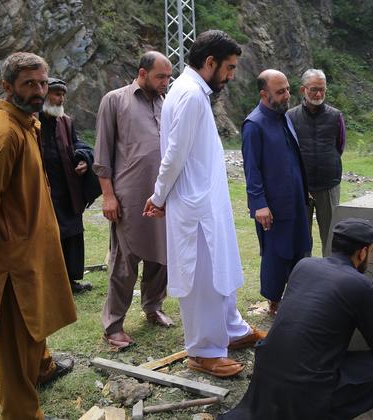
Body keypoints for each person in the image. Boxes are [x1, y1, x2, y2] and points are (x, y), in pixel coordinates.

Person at [0, 52, 77, 419]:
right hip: (11, 255)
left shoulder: (27, 123)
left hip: (30, 245)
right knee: (11, 341)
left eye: (43, 83)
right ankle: (22, 414)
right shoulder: (6, 133)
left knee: (32, 319)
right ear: (7, 87)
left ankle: (42, 367)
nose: (39, 91)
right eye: (29, 84)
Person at [143, 30, 266, 378]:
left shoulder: (194, 91)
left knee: (218, 270)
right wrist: (158, 196)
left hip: (205, 202)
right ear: (209, 62)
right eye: (228, 68)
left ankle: (232, 329)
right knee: (202, 279)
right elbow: (173, 155)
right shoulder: (190, 95)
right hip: (194, 206)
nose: (230, 75)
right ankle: (203, 351)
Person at [221, 218, 373, 420]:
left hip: (265, 377)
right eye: (370, 252)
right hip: (306, 388)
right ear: (362, 252)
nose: (369, 258)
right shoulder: (359, 284)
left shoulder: (303, 266)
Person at [93, 51, 173, 350]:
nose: (166, 82)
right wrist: (108, 196)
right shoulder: (115, 100)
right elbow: (102, 154)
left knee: (161, 257)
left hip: (162, 197)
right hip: (128, 197)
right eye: (160, 77)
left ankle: (153, 307)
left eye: (168, 77)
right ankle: (113, 325)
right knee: (124, 264)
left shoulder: (167, 104)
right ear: (142, 73)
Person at [241, 69, 311, 316]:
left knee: (300, 248)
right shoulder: (254, 125)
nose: (287, 96)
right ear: (264, 94)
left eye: (287, 90)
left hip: (296, 201)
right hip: (272, 206)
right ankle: (274, 303)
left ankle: (295, 298)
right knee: (276, 254)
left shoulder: (284, 117)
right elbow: (252, 170)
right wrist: (259, 204)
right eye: (280, 92)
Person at [39, 77, 99, 294]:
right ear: (45, 95)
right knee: (49, 237)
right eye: (56, 94)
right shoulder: (32, 122)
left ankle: (71, 282)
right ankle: (47, 284)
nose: (60, 99)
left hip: (67, 189)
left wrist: (82, 158)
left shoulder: (66, 121)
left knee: (72, 234)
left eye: (62, 95)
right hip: (43, 191)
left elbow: (78, 143)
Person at [286, 69, 346, 255]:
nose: (318, 94)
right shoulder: (290, 116)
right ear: (303, 89)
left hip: (328, 185)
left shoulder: (336, 116)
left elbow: (340, 145)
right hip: (300, 187)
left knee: (331, 236)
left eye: (322, 90)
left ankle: (330, 277)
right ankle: (305, 274)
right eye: (313, 89)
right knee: (301, 237)